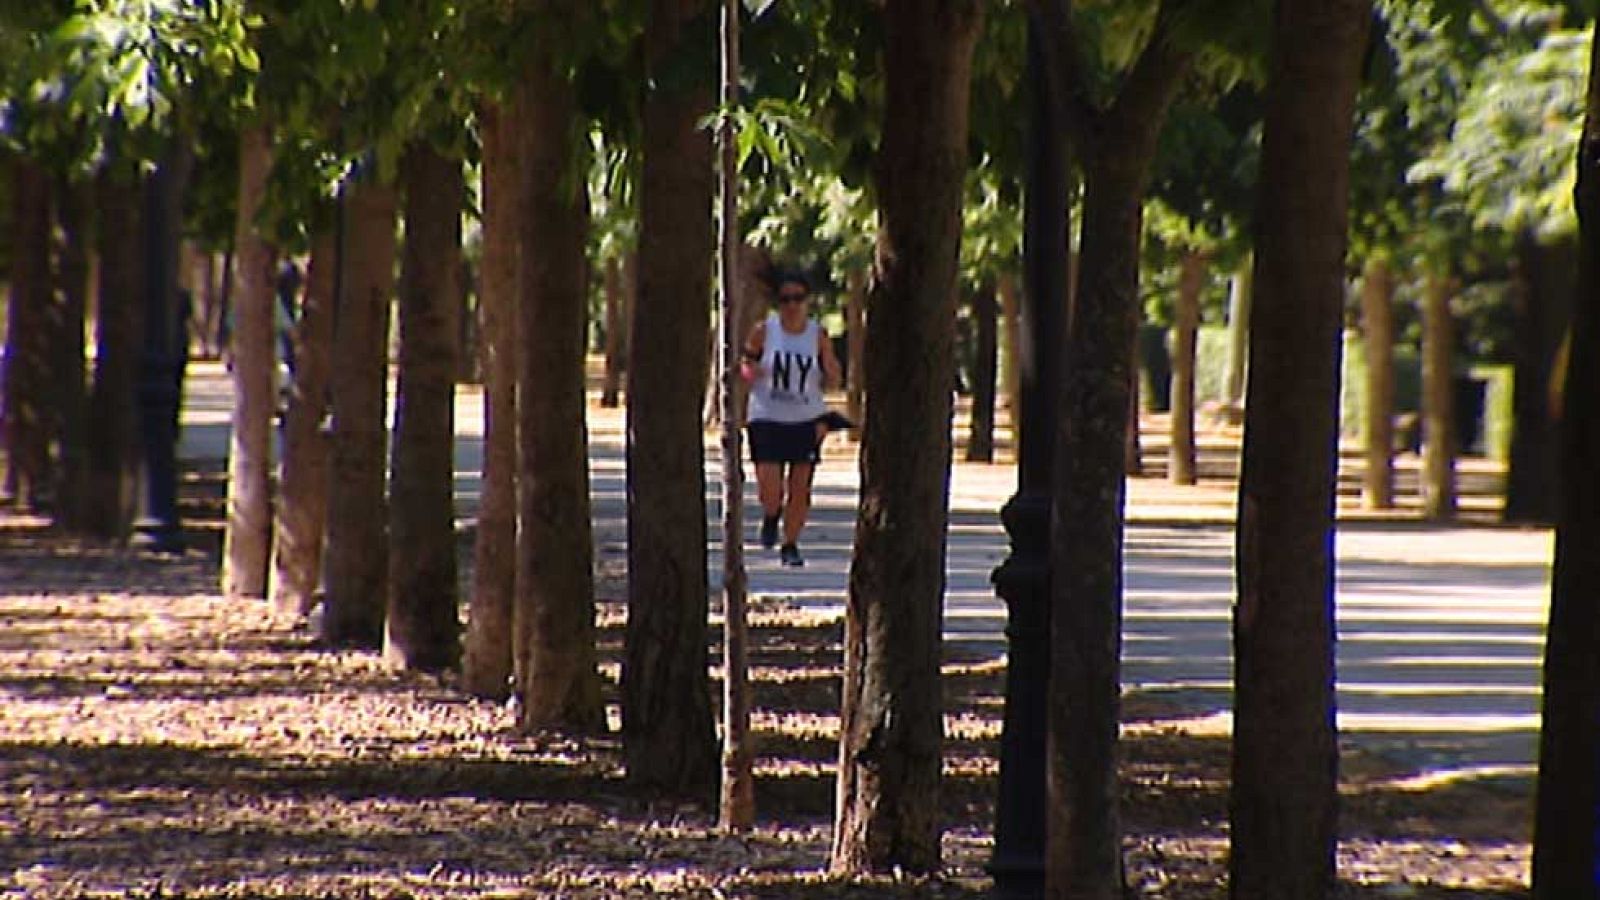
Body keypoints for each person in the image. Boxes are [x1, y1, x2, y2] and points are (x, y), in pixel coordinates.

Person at [740, 271, 845, 567]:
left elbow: (832, 374)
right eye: (785, 299)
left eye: (797, 299)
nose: (792, 305)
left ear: (807, 301)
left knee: (800, 488)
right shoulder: (765, 331)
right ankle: (771, 515)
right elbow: (745, 363)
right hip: (767, 415)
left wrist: (833, 371)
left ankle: (790, 543)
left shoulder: (817, 335)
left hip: (806, 417)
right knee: (770, 488)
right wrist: (751, 372)